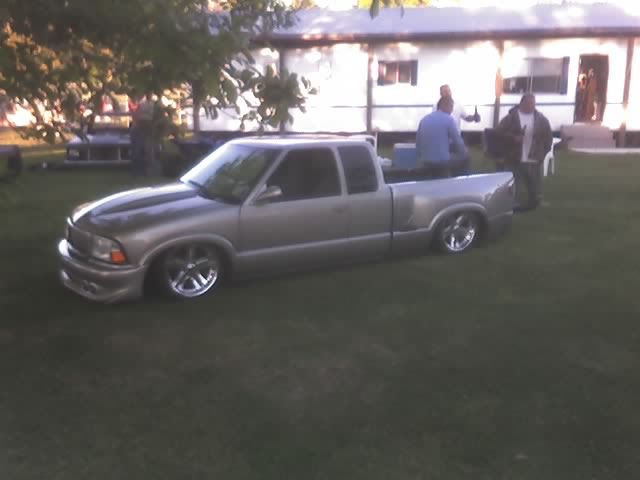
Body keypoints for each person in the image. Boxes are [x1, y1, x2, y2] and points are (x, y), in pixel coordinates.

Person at [497, 93, 553, 210]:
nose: (531, 106)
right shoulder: (510, 118)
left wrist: (543, 153)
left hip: (533, 157)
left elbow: (548, 137)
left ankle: (536, 201)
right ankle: (511, 203)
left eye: (533, 103)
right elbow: (498, 134)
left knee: (535, 182)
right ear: (522, 103)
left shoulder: (541, 119)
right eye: (529, 103)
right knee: (513, 183)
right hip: (514, 157)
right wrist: (513, 138)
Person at [416, 96, 470, 178]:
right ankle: (458, 181)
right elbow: (458, 141)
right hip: (442, 161)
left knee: (450, 150)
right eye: (451, 106)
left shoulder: (424, 119)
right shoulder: (449, 119)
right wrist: (465, 151)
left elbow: (418, 142)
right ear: (444, 105)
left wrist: (421, 157)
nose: (452, 110)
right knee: (465, 157)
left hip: (425, 160)